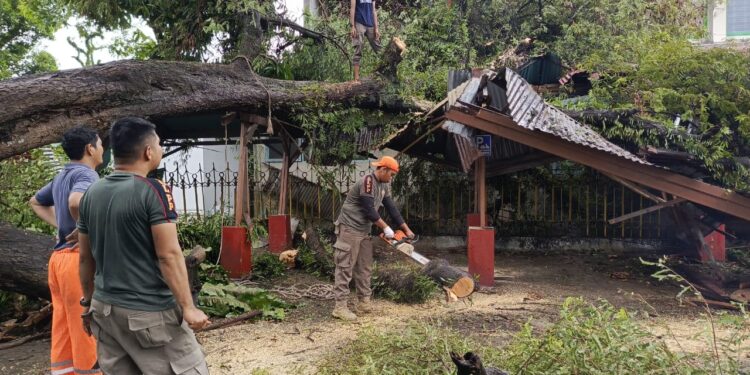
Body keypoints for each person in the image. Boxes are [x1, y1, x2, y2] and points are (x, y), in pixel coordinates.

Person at [77, 117, 210, 374]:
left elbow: (85, 258)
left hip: (105, 311)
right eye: (159, 144)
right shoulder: (154, 191)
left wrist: (87, 304)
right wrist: (188, 308)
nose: (160, 149)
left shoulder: (91, 194)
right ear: (149, 152)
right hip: (149, 315)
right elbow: (169, 255)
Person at [30, 126, 104, 375]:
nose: (103, 149)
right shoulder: (87, 175)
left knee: (63, 325)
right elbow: (75, 202)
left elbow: (36, 202)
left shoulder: (63, 175)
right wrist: (87, 229)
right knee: (87, 325)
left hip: (58, 260)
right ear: (90, 149)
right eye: (100, 144)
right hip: (77, 261)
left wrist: (61, 225)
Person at [332, 156, 414, 320]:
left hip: (364, 230)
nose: (391, 178)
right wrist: (386, 228)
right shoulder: (367, 182)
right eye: (391, 174)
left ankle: (364, 303)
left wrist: (406, 230)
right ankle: (339, 307)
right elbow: (369, 210)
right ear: (383, 169)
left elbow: (391, 208)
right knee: (345, 266)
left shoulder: (384, 185)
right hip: (349, 228)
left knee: (365, 267)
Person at [350, 0, 381, 81]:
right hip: (359, 23)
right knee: (358, 48)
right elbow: (352, 9)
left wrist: (376, 28)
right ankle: (356, 78)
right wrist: (352, 26)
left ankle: (385, 73)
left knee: (379, 49)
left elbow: (374, 11)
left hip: (370, 24)